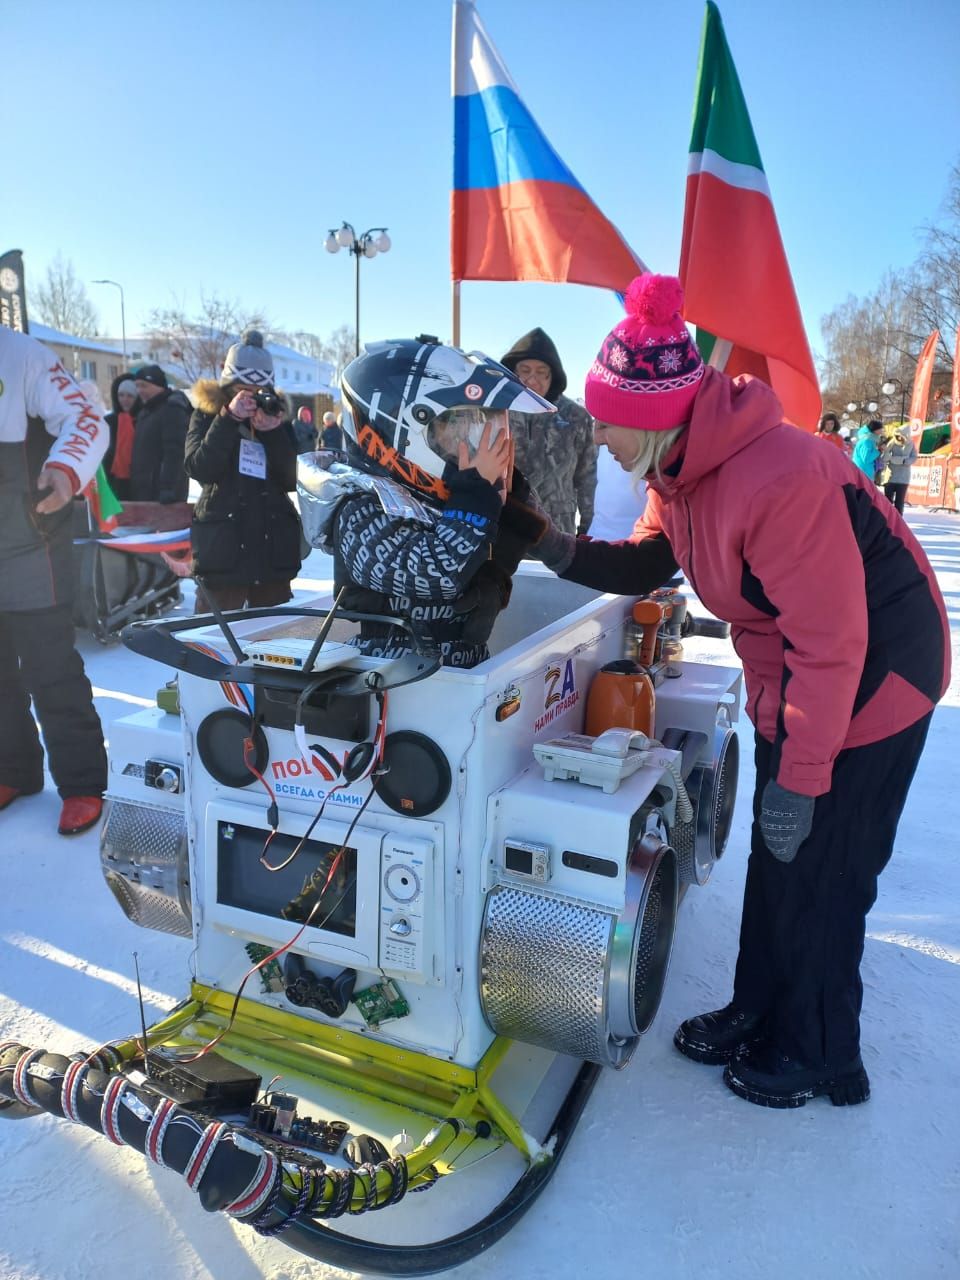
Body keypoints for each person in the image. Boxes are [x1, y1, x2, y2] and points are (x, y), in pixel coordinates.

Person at [531, 273, 950, 1109]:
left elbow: (834, 644)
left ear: (650, 417)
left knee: (827, 862)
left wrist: (802, 776)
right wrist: (543, 541)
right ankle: (760, 1004)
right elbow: (648, 561)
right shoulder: (680, 474)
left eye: (606, 419)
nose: (598, 435)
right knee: (777, 849)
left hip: (875, 677)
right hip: (795, 674)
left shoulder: (779, 476)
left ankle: (823, 1049)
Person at [297, 336, 553, 668]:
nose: (476, 444)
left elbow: (496, 549)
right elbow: (438, 571)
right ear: (401, 428)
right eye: (458, 430)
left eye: (485, 428)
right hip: (388, 683)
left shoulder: (441, 496)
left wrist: (499, 554)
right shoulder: (360, 509)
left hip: (459, 678)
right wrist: (478, 496)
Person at [0, 325, 110, 835]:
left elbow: (85, 415)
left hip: (31, 541)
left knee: (50, 669)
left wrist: (66, 469)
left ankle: (83, 782)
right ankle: (13, 770)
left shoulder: (19, 352)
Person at [185, 330, 303, 612]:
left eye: (259, 392)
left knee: (273, 642)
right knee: (213, 639)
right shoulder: (207, 414)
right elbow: (199, 468)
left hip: (270, 549)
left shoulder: (277, 417)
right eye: (241, 391)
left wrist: (274, 434)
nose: (250, 399)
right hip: (222, 549)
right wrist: (228, 420)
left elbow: (293, 479)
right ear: (228, 387)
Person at [500, 328, 597, 534]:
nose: (533, 379)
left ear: (553, 375)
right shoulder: (497, 413)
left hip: (558, 531)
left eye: (541, 372)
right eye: (525, 371)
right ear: (513, 372)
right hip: (505, 526)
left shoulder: (576, 417)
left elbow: (587, 478)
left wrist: (588, 531)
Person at [130, 364, 191, 503]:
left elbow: (175, 451)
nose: (139, 391)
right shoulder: (146, 411)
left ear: (159, 386)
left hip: (163, 493)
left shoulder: (172, 409)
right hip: (144, 489)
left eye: (144, 386)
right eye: (137, 386)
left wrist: (168, 487)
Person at [101, 375, 139, 500]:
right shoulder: (109, 421)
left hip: (137, 481)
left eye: (130, 396)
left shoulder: (143, 420)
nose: (124, 399)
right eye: (121, 395)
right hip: (111, 479)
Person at [880, 426, 917, 514]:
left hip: (903, 479)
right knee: (887, 501)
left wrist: (898, 460)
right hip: (890, 477)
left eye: (901, 436)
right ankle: (886, 520)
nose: (899, 438)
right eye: (897, 436)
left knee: (899, 502)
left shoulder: (911, 444)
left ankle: (898, 521)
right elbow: (885, 457)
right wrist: (902, 459)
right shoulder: (892, 442)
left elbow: (912, 458)